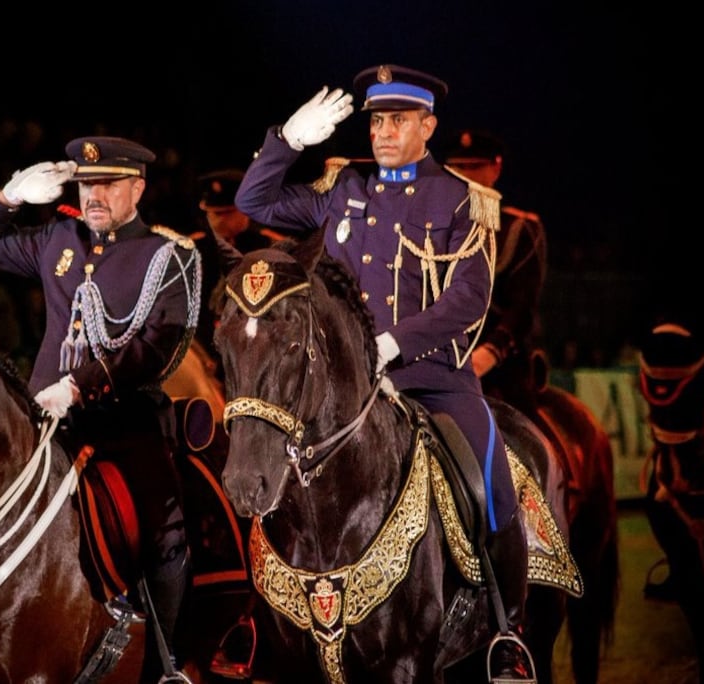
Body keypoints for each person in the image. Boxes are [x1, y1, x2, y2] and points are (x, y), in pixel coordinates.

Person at [235, 64, 535, 682]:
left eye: (398, 120)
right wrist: (287, 141)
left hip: (432, 380)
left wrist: (394, 344)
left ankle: (507, 628)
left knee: (490, 484)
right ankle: (261, 626)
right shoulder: (343, 188)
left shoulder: (459, 198)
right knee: (272, 479)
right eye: (376, 120)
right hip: (345, 390)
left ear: (428, 125)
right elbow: (251, 203)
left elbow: (468, 299)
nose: (383, 132)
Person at [0, 136, 200, 681]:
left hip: (122, 420)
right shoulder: (57, 237)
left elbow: (156, 344)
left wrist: (80, 386)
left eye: (109, 184)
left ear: (137, 187)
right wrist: (9, 195)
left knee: (167, 534)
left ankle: (168, 666)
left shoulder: (168, 256)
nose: (94, 195)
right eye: (87, 184)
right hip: (45, 423)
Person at [444, 129, 548, 417]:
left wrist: (489, 353)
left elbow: (522, 306)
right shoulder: (430, 229)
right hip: (439, 359)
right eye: (457, 168)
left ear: (496, 168)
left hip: (499, 366)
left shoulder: (520, 229)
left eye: (475, 167)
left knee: (528, 440)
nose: (465, 175)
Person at [188, 168, 287, 379]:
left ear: (245, 211)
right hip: (203, 353)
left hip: (258, 358)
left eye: (226, 214)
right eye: (213, 214)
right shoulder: (190, 250)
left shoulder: (271, 249)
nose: (218, 221)